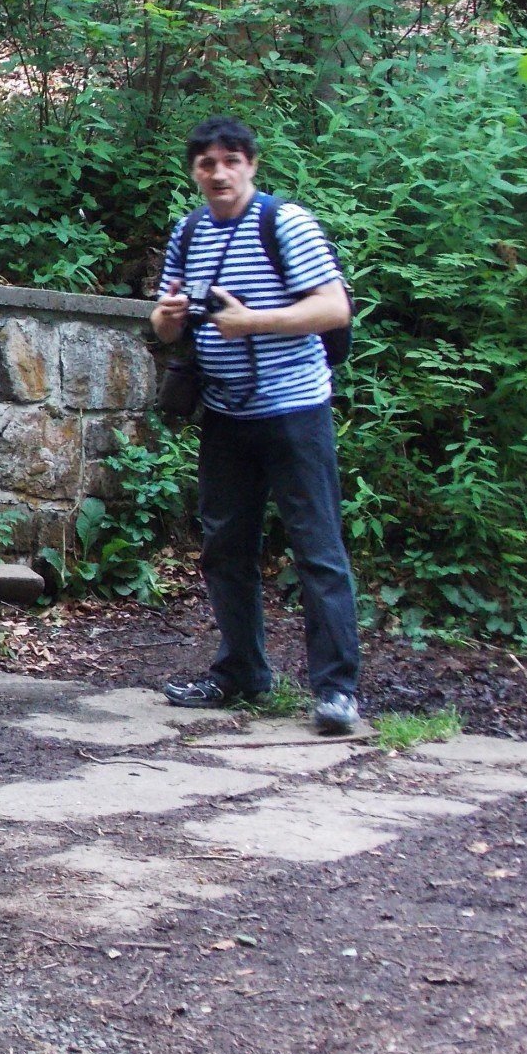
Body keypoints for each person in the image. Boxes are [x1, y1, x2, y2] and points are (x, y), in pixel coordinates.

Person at [150, 116, 362, 735]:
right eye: (206, 163)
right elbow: (165, 327)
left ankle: (336, 692)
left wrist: (254, 322)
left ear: (251, 164)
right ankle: (242, 672)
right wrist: (166, 317)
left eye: (230, 161)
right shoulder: (187, 232)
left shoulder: (284, 223)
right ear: (194, 171)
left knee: (317, 548)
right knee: (224, 548)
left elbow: (333, 306)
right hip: (225, 414)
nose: (218, 173)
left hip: (295, 410)